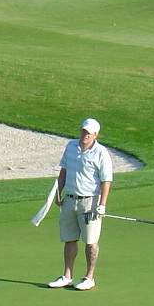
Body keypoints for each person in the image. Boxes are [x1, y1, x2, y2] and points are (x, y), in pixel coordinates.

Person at [48, 118, 113, 291]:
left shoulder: (101, 152)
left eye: (89, 133)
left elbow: (106, 180)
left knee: (91, 242)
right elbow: (64, 171)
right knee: (69, 239)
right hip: (69, 200)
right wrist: (58, 193)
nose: (85, 135)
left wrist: (102, 204)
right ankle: (67, 276)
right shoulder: (71, 146)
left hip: (89, 202)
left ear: (95, 135)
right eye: (83, 131)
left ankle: (89, 277)